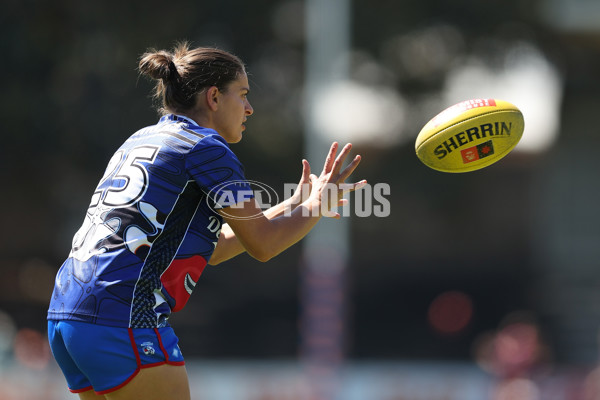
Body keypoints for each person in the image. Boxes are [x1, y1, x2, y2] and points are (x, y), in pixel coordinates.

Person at [47, 42, 365, 400]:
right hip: (122, 317)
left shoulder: (142, 139)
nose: (249, 107)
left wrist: (295, 204)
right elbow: (264, 244)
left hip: (68, 313)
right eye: (242, 94)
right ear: (213, 97)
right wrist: (320, 203)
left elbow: (214, 248)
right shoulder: (206, 148)